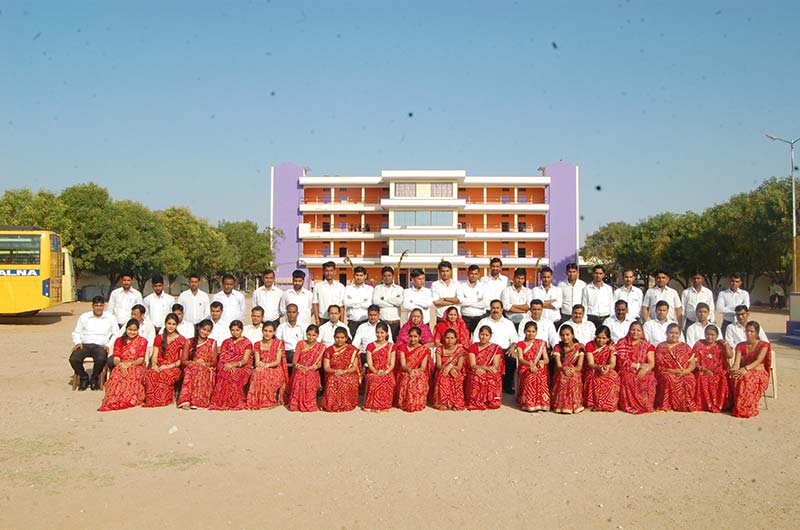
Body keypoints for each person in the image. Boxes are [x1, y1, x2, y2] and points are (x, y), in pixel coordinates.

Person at [98, 319, 148, 411]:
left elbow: (140, 360)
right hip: (121, 364)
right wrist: (121, 364)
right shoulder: (119, 340)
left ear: (138, 330)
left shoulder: (142, 341)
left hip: (137, 365)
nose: (132, 332)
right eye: (130, 329)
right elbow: (116, 359)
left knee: (131, 372)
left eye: (135, 330)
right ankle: (114, 398)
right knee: (117, 372)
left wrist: (129, 364)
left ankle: (129, 398)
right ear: (126, 329)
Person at [69, 296, 116, 391]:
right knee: (74, 359)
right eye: (96, 305)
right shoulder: (84, 317)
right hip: (85, 344)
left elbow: (116, 334)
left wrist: (108, 345)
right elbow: (76, 332)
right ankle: (84, 378)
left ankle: (94, 379)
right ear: (92, 306)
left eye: (101, 305)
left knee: (101, 359)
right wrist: (78, 342)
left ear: (104, 306)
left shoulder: (110, 318)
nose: (99, 308)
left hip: (100, 346)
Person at [472, 300, 518, 394]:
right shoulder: (483, 322)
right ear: (490, 309)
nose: (495, 310)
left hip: (504, 350)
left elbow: (515, 339)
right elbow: (475, 339)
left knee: (511, 359)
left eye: (497, 308)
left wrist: (513, 348)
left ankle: (507, 385)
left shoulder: (508, 323)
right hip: (487, 350)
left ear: (502, 309)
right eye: (493, 308)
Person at [730, 321, 772, 418]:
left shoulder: (764, 345)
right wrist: (734, 370)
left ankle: (747, 407)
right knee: (734, 377)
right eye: (747, 331)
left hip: (759, 372)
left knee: (747, 378)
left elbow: (758, 360)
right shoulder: (740, 345)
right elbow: (736, 362)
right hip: (743, 370)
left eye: (751, 331)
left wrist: (745, 369)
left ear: (756, 333)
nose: (749, 333)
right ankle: (737, 405)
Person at [209, 320, 253, 410]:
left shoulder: (247, 343)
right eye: (232, 330)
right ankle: (222, 401)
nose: (235, 332)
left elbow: (245, 360)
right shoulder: (226, 342)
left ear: (241, 330)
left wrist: (235, 364)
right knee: (224, 372)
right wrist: (227, 365)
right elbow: (222, 357)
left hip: (242, 367)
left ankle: (234, 401)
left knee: (233, 374)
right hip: (226, 365)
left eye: (237, 330)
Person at [143, 313, 185, 408]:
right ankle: (151, 400)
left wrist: (168, 366)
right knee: (151, 373)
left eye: (173, 324)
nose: (171, 326)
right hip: (159, 365)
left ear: (177, 325)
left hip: (173, 367)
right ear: (165, 323)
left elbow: (181, 360)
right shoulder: (159, 338)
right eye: (169, 323)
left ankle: (162, 399)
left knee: (164, 375)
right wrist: (154, 365)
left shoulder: (181, 340)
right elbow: (154, 355)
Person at [653, 323, 698, 412]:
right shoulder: (661, 347)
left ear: (680, 334)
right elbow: (659, 365)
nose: (674, 335)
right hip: (667, 372)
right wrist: (672, 371)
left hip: (683, 372)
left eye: (676, 333)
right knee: (668, 378)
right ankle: (666, 405)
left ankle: (685, 405)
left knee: (689, 380)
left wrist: (686, 371)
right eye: (671, 333)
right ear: (666, 333)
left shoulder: (685, 347)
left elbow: (692, 363)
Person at [615, 321, 656, 414]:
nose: (635, 332)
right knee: (628, 378)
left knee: (650, 378)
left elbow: (651, 363)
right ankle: (630, 405)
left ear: (642, 332)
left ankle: (645, 405)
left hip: (643, 369)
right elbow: (621, 361)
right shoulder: (622, 343)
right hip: (626, 369)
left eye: (638, 330)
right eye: (633, 330)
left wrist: (645, 369)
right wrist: (637, 366)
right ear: (629, 331)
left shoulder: (647, 346)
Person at [177, 319, 217, 409]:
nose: (205, 332)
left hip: (207, 368)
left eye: (208, 331)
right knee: (194, 368)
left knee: (199, 369)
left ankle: (198, 401)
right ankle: (185, 401)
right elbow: (183, 361)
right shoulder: (189, 342)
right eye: (204, 329)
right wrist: (195, 362)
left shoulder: (212, 342)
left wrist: (205, 364)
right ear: (199, 328)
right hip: (191, 367)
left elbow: (214, 362)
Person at [247, 321, 289, 409]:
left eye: (270, 331)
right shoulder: (257, 344)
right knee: (256, 373)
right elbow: (257, 362)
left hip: (275, 368)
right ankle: (256, 401)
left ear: (274, 332)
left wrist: (266, 365)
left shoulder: (278, 343)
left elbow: (277, 361)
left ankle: (268, 401)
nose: (267, 333)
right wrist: (261, 366)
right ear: (262, 331)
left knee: (266, 374)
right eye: (265, 331)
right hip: (262, 366)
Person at [693, 325, 732, 413]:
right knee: (701, 377)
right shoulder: (699, 344)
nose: (709, 337)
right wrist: (705, 370)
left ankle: (721, 404)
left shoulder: (720, 345)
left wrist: (726, 344)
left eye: (712, 335)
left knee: (723, 376)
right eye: (707, 334)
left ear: (717, 336)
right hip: (703, 370)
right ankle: (705, 405)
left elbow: (730, 355)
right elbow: (694, 361)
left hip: (718, 370)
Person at [287, 324, 325, 412]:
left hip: (312, 369)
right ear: (306, 334)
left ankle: (309, 403)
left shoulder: (321, 347)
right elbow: (294, 361)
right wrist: (300, 367)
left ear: (317, 335)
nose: (311, 337)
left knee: (309, 375)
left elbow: (319, 364)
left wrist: (312, 367)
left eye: (313, 335)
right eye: (309, 335)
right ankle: (296, 403)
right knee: (301, 375)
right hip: (300, 368)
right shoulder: (300, 343)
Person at [321, 328, 361, 412]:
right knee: (333, 379)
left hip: (348, 372)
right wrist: (336, 371)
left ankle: (346, 404)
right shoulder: (329, 350)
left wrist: (344, 371)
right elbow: (326, 367)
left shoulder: (352, 349)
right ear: (334, 337)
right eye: (337, 337)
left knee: (347, 379)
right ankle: (332, 405)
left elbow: (354, 367)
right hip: (333, 372)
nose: (339, 340)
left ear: (346, 338)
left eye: (342, 338)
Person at [465, 325, 503, 410]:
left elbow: (495, 365)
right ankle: (477, 401)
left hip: (490, 369)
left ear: (490, 336)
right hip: (476, 369)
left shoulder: (496, 348)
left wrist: (486, 370)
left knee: (494, 376)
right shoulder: (473, 347)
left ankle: (492, 400)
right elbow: (473, 365)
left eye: (486, 335)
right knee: (477, 376)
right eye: (482, 334)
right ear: (478, 334)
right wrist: (483, 368)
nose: (484, 337)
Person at [515, 321, 550, 412]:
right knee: (531, 376)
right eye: (528, 331)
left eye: (533, 331)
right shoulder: (520, 344)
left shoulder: (541, 343)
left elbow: (546, 359)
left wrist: (542, 362)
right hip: (525, 367)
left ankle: (542, 403)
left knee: (540, 375)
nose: (531, 334)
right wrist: (529, 364)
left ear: (536, 332)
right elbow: (520, 359)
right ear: (524, 331)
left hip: (537, 366)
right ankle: (528, 403)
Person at [583, 325, 620, 412]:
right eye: (598, 337)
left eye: (604, 338)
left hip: (606, 369)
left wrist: (607, 367)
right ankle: (596, 404)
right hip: (593, 369)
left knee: (613, 377)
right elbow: (590, 363)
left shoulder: (612, 346)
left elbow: (613, 364)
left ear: (608, 338)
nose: (600, 340)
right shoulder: (590, 345)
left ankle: (608, 404)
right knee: (596, 379)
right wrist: (599, 367)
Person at [550, 325, 585, 414]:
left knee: (574, 377)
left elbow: (579, 366)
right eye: (562, 335)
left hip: (575, 370)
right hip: (561, 370)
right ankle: (561, 406)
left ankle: (576, 405)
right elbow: (558, 365)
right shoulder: (557, 347)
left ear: (573, 335)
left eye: (567, 335)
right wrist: (564, 368)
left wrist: (572, 370)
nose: (565, 337)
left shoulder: (579, 347)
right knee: (563, 377)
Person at [108, 304, 156, 368]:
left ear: (142, 315)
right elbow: (119, 338)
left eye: (135, 314)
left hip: (141, 354)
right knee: (111, 361)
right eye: (132, 314)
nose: (133, 316)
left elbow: (151, 342)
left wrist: (138, 349)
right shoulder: (127, 324)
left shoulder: (149, 326)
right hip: (123, 357)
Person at [363, 322, 396, 412]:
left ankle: (384, 405)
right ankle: (372, 405)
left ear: (386, 333)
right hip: (373, 371)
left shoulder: (391, 346)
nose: (379, 335)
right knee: (375, 379)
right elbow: (370, 363)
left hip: (387, 371)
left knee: (387, 379)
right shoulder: (370, 346)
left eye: (382, 332)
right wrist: (376, 372)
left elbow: (392, 364)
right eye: (377, 332)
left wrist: (385, 372)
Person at [395, 326, 430, 412]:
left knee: (420, 377)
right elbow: (403, 365)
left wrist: (416, 371)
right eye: (411, 336)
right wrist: (409, 370)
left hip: (418, 371)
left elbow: (423, 367)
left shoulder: (424, 349)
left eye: (415, 336)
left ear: (420, 337)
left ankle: (417, 402)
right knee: (407, 378)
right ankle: (405, 403)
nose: (413, 339)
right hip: (405, 370)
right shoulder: (403, 347)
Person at [432, 328, 466, 411]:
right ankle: (443, 402)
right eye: (447, 338)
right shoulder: (440, 349)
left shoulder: (460, 350)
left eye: (452, 338)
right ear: (444, 338)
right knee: (443, 375)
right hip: (442, 370)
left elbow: (459, 367)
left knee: (456, 376)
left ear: (456, 339)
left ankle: (456, 402)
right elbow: (438, 365)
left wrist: (450, 367)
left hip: (455, 369)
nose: (449, 340)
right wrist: (446, 368)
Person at [372, 266, 404, 340]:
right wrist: (393, 304)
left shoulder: (399, 289)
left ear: (393, 276)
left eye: (389, 275)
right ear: (382, 277)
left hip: (395, 323)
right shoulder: (378, 288)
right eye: (385, 276)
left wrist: (384, 300)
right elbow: (375, 302)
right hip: (382, 323)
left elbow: (400, 302)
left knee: (395, 344)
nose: (387, 278)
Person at [312, 261, 345, 326]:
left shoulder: (340, 286)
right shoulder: (318, 286)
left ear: (335, 272)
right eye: (326, 271)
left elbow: (342, 305)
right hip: (323, 319)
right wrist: (317, 319)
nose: (329, 273)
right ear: (323, 272)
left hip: (337, 319)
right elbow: (315, 304)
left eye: (331, 271)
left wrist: (342, 321)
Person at [344, 266, 374, 336]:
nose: (359, 277)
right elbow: (346, 303)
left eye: (361, 275)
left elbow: (369, 304)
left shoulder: (370, 289)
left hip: (366, 322)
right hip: (352, 322)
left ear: (365, 276)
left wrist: (353, 301)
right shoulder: (348, 288)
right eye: (357, 275)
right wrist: (362, 300)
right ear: (354, 276)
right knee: (352, 342)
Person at [276, 303, 308, 369]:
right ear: (286, 313)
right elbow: (278, 342)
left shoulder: (303, 326)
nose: (291, 314)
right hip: (286, 353)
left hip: (300, 353)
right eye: (289, 312)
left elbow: (306, 342)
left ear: (297, 313)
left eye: (294, 312)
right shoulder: (281, 327)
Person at [459, 264, 488, 334]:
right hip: (466, 317)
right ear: (468, 274)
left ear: (478, 275)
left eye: (475, 274)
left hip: (480, 317)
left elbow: (485, 303)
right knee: (465, 338)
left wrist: (467, 301)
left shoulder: (483, 286)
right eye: (471, 273)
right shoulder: (461, 286)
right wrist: (476, 300)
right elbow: (461, 302)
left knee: (478, 338)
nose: (473, 276)